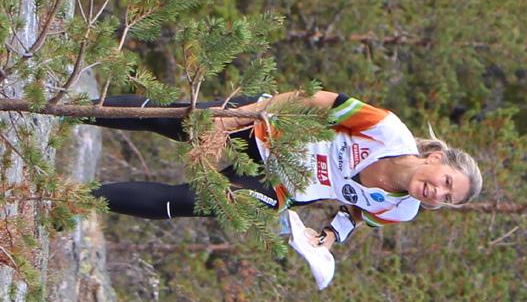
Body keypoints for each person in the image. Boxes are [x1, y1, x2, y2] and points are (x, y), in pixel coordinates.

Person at [90, 91, 482, 249]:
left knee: (180, 202)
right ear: (436, 159)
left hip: (275, 184)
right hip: (265, 127)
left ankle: (77, 198)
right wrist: (233, 119)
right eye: (446, 182)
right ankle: (70, 108)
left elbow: (358, 213)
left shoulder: (402, 209)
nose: (438, 194)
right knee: (169, 119)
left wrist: (331, 236)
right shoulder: (387, 130)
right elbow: (312, 97)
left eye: (448, 199)